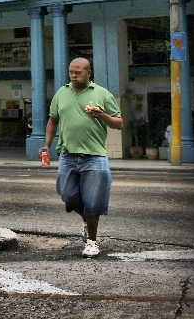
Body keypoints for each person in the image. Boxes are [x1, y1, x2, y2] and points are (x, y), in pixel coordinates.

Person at [40, 57, 123, 258]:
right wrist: (47, 145)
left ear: (88, 73)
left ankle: (92, 242)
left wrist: (102, 116)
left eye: (78, 72)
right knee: (66, 194)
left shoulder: (102, 94)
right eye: (71, 72)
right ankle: (87, 220)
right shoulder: (61, 93)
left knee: (93, 201)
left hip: (94, 156)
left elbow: (119, 123)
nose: (74, 76)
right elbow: (53, 120)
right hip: (68, 155)